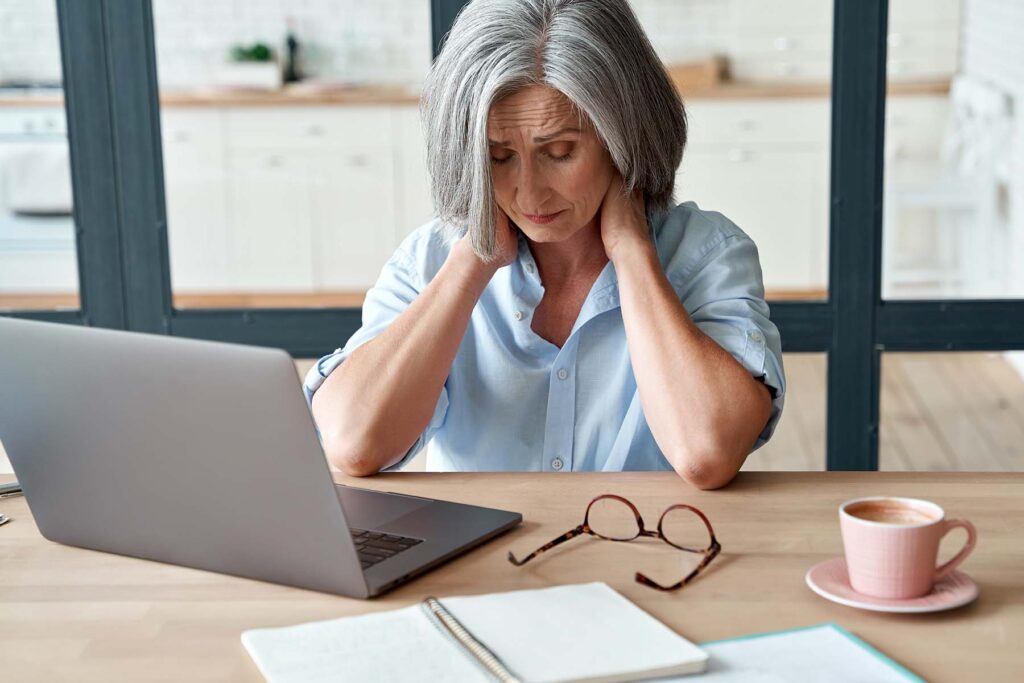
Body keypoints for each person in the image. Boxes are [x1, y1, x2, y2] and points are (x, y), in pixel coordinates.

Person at [304, 0, 785, 489]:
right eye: (498, 157)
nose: (529, 193)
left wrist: (633, 253)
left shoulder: (706, 254)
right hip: (481, 563)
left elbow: (707, 453)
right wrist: (472, 262)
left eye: (560, 153)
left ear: (625, 137)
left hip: (647, 557)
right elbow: (354, 443)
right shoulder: (428, 261)